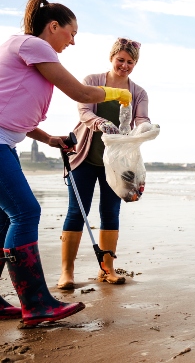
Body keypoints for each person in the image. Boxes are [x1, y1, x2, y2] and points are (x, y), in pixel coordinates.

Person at [0, 0, 131, 326]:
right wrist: (119, 94)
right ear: (53, 26)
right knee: (26, 211)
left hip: (7, 141)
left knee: (4, 219)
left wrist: (48, 139)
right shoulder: (34, 45)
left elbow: (16, 114)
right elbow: (82, 94)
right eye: (71, 33)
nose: (73, 41)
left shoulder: (26, 50)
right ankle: (37, 303)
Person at [56, 37, 149, 290]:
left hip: (116, 164)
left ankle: (107, 269)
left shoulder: (138, 92)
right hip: (84, 156)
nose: (125, 66)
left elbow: (141, 118)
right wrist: (101, 124)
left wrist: (146, 128)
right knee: (77, 212)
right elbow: (84, 111)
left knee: (110, 212)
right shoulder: (92, 81)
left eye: (130, 62)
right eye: (120, 60)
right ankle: (67, 272)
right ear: (112, 58)